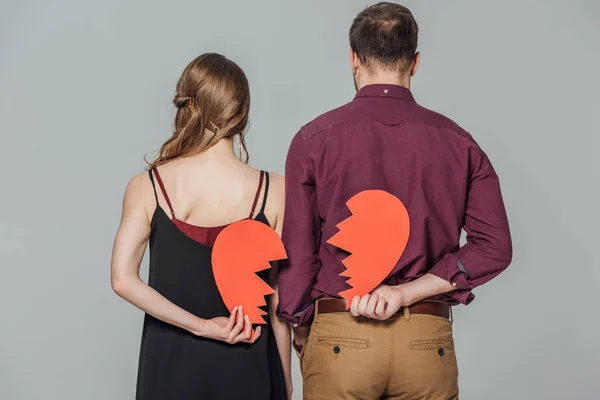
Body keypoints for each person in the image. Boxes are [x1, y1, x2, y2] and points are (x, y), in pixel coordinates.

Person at [278, 3, 512, 399]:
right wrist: (405, 293)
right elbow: (495, 247)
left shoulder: (313, 139)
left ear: (354, 59)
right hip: (425, 341)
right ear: (415, 62)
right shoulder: (459, 143)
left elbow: (299, 254)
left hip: (341, 335)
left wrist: (301, 325)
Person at [110, 53, 292, 400]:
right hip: (249, 367)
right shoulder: (276, 191)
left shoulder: (148, 186)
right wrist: (285, 378)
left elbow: (122, 279)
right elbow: (278, 302)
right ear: (241, 114)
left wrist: (201, 327)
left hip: (168, 368)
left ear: (187, 105)